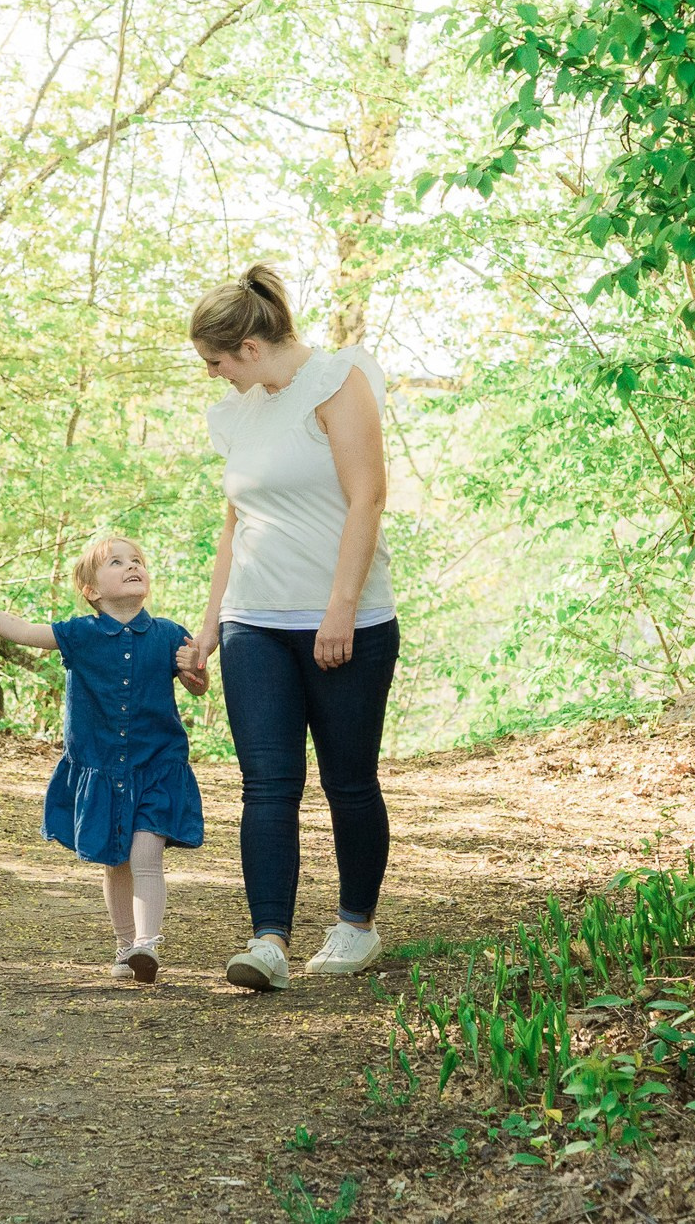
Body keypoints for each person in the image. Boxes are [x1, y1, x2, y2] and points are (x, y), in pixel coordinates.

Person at [184, 264, 398, 992]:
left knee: (348, 780)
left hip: (347, 622)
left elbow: (368, 497)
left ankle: (356, 925)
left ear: (246, 346)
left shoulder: (337, 381)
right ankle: (268, 940)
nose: (213, 375)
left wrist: (341, 605)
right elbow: (233, 524)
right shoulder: (241, 411)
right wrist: (211, 624)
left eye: (215, 361)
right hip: (255, 622)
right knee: (266, 784)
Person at [0, 535, 207, 982]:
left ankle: (147, 943)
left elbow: (196, 686)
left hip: (156, 766)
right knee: (115, 859)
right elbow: (26, 632)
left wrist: (194, 668)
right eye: (117, 562)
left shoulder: (168, 634)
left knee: (146, 854)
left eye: (138, 561)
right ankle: (125, 944)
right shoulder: (80, 634)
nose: (132, 566)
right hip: (102, 768)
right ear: (91, 590)